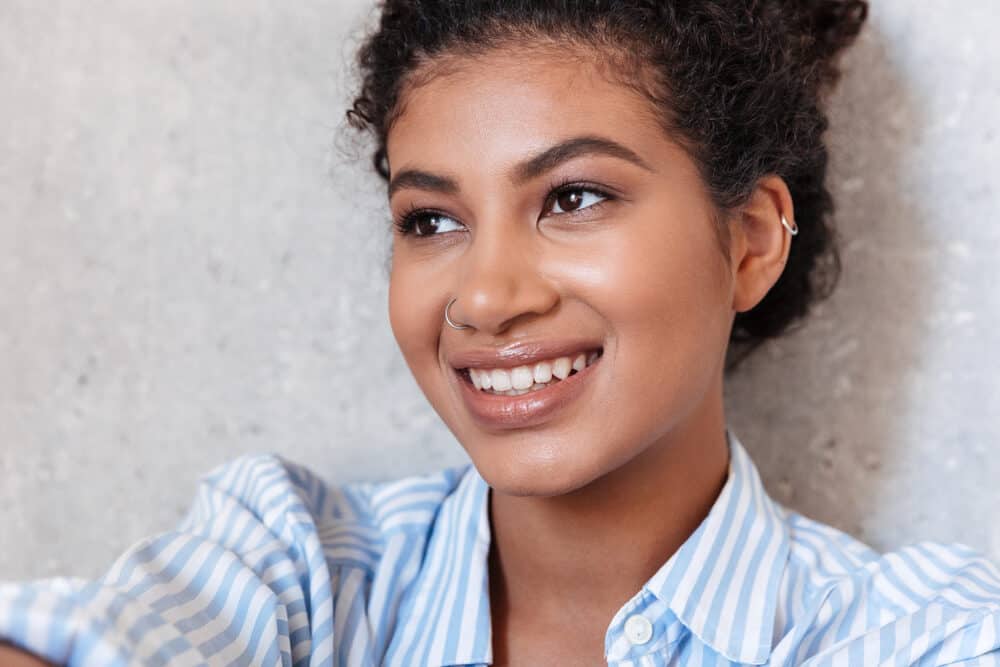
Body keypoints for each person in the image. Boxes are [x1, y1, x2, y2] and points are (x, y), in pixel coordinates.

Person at [3, 1, 1000, 665]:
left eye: (572, 196)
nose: (484, 297)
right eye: (429, 220)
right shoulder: (298, 570)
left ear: (746, 241)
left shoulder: (914, 635)